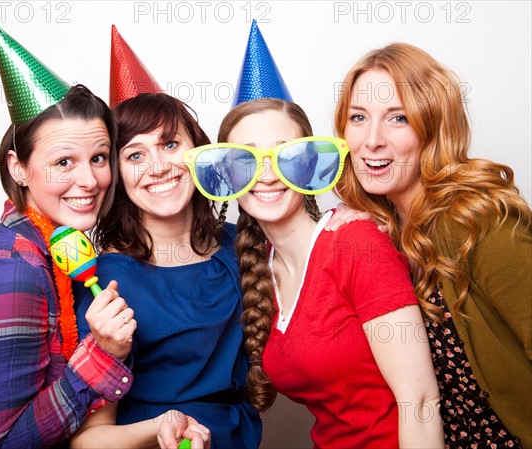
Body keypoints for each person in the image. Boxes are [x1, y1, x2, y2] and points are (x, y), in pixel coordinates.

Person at [185, 96, 444, 449]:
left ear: (308, 165)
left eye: (285, 155)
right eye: (246, 160)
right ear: (228, 175)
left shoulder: (355, 243)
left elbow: (421, 401)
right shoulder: (258, 269)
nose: (268, 173)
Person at [0, 19, 136, 448]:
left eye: (99, 157)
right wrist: (102, 355)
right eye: (64, 162)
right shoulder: (12, 272)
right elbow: (6, 445)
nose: (90, 180)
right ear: (18, 168)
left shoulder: (51, 246)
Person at [333, 42, 531, 448]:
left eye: (398, 118)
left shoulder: (477, 219)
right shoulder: (379, 231)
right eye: (358, 117)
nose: (372, 140)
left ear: (432, 127)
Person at [70, 26, 261, 449]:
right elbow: (88, 440)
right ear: (116, 175)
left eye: (170, 144)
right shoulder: (103, 282)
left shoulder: (243, 244)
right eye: (135, 155)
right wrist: (161, 427)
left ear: (198, 149)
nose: (158, 167)